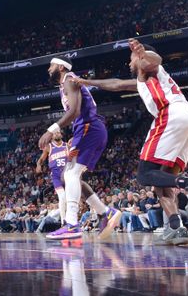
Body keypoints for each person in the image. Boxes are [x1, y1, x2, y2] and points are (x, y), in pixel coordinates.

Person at [72, 39, 188, 245]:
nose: (129, 63)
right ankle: (176, 227)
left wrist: (142, 53)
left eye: (131, 59)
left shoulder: (149, 67)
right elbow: (116, 84)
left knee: (144, 174)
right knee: (160, 182)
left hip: (171, 115)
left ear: (138, 57)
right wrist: (87, 82)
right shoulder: (143, 80)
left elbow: (156, 59)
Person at [39, 58, 120, 240]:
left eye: (51, 66)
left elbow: (75, 111)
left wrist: (51, 130)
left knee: (70, 175)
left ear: (60, 67)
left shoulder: (69, 79)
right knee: (66, 176)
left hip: (88, 127)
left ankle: (72, 224)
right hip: (84, 129)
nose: (48, 69)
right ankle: (104, 212)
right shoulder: (65, 83)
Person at [36, 130, 69, 225]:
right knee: (62, 197)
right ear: (52, 137)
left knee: (69, 198)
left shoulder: (67, 145)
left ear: (61, 135)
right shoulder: (49, 147)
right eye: (54, 133)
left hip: (67, 174)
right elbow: (41, 160)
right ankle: (64, 222)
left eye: (58, 133)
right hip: (56, 176)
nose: (57, 134)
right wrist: (38, 165)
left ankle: (70, 220)